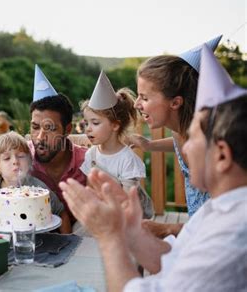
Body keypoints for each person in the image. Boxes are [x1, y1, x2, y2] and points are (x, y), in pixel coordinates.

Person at [60, 45, 247, 291]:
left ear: (222, 155)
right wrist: (130, 230)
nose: (185, 149)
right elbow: (173, 259)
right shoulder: (215, 209)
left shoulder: (232, 236)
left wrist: (109, 237)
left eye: (193, 139)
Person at [128, 36, 222, 237]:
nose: (136, 104)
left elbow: (226, 222)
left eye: (144, 97)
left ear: (175, 102)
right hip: (195, 228)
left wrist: (167, 228)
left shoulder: (211, 147)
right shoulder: (181, 129)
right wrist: (149, 145)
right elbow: (179, 143)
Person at [80, 71, 153, 219]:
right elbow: (90, 189)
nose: (88, 128)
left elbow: (128, 203)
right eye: (86, 123)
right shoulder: (91, 154)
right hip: (101, 213)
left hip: (125, 218)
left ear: (114, 125)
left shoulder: (127, 159)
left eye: (95, 123)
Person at [0, 132, 71, 233]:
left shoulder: (38, 188)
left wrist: (68, 240)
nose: (15, 161)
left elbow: (61, 213)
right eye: (7, 158)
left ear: (29, 161)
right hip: (2, 245)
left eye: (21, 156)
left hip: (38, 244)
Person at [29, 64, 87, 225]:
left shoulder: (88, 163)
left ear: (67, 129)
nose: (40, 137)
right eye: (35, 127)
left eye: (50, 129)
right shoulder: (20, 157)